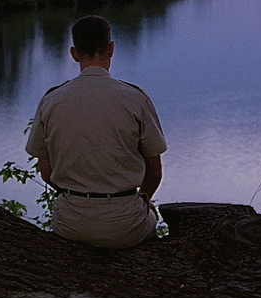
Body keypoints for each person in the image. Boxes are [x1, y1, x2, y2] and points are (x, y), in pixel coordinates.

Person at [25, 15, 167, 248]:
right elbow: (154, 172)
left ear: (74, 53)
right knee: (152, 216)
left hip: (70, 223)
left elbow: (47, 172)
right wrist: (143, 199)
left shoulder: (52, 100)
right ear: (111, 49)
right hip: (125, 225)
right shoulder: (135, 98)